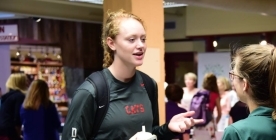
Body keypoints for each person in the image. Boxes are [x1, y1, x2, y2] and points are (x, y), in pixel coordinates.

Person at [61, 9, 202, 140]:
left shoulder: (148, 85)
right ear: (111, 43)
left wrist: (168, 129)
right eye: (131, 39)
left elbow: (150, 134)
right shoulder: (91, 92)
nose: (140, 45)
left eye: (143, 39)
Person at [0, 73, 29, 140]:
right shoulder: (20, 96)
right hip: (10, 132)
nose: (27, 83)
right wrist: (18, 135)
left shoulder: (6, 97)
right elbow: (17, 118)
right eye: (25, 81)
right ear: (21, 83)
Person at [193, 73, 222, 139]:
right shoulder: (215, 95)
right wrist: (215, 122)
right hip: (209, 123)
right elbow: (219, 113)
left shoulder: (198, 93)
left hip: (197, 123)